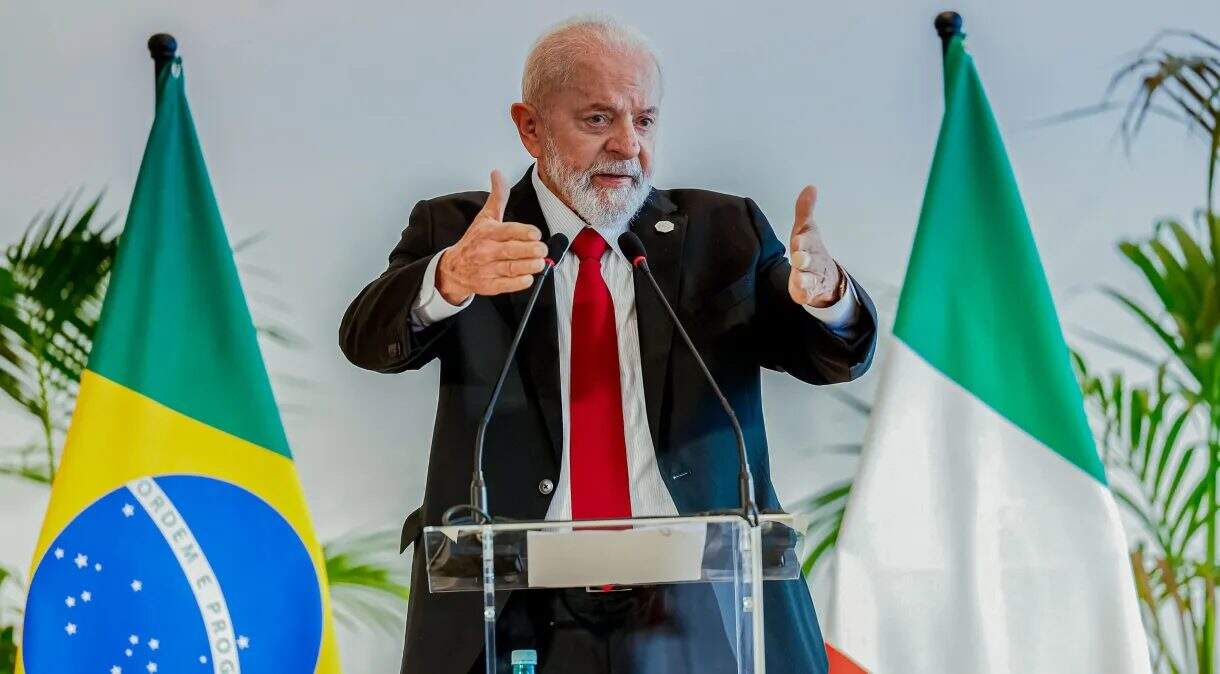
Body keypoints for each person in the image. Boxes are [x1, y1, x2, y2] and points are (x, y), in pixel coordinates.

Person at [339, 14, 878, 674]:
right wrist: (449, 276)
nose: (628, 145)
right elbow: (367, 340)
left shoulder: (722, 232)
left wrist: (828, 297)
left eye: (645, 120)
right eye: (598, 119)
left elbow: (828, 355)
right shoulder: (469, 233)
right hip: (513, 608)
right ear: (530, 127)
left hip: (707, 601)